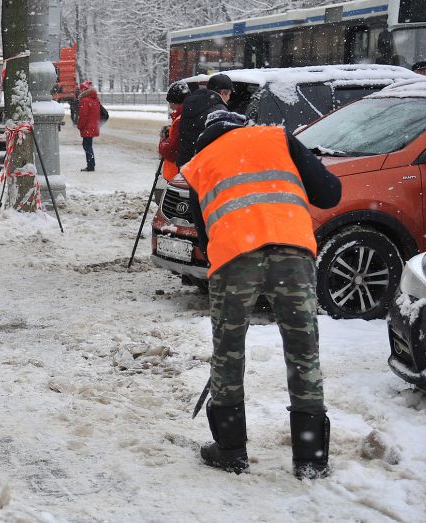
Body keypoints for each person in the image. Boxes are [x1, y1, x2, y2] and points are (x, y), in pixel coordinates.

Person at [182, 110, 342, 479]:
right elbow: (330, 193)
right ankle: (310, 458)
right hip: (293, 251)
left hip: (235, 255)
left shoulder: (199, 163)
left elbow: (204, 236)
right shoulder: (277, 138)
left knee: (228, 352)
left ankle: (230, 449)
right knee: (303, 351)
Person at [176, 73, 232, 167]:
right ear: (223, 93)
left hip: (185, 162)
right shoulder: (219, 110)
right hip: (202, 165)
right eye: (229, 94)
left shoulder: (192, 101)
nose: (229, 98)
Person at [158, 81, 190, 183]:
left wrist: (163, 141)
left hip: (176, 174)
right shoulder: (189, 114)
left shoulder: (180, 119)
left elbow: (170, 151)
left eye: (171, 102)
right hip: (182, 173)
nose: (170, 106)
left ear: (176, 101)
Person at [76, 81, 100, 172]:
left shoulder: (84, 101)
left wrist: (79, 126)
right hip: (93, 126)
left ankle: (90, 165)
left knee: (87, 146)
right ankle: (91, 164)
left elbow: (83, 116)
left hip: (87, 127)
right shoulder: (95, 99)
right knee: (88, 145)